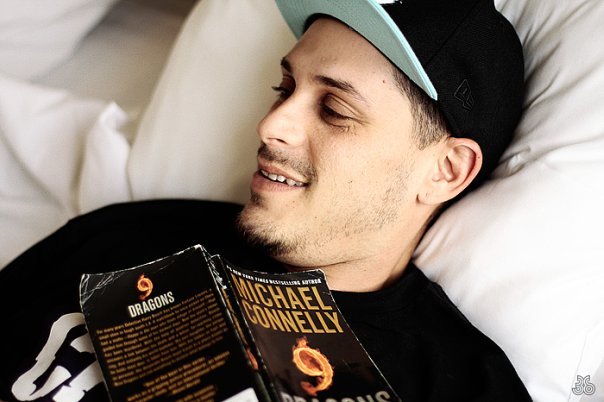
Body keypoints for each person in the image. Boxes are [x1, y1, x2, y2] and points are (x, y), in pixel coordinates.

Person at [236, 0, 531, 400]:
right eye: (284, 90)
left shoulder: (463, 387)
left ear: (445, 171)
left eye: (334, 110)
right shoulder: (162, 232)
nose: (270, 124)